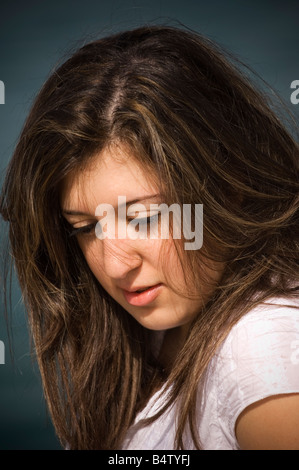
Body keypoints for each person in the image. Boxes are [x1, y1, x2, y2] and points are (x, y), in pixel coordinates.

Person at [0, 25, 298, 450]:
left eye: (143, 218)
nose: (115, 265)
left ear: (227, 187)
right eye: (85, 228)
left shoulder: (263, 352)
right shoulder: (151, 331)